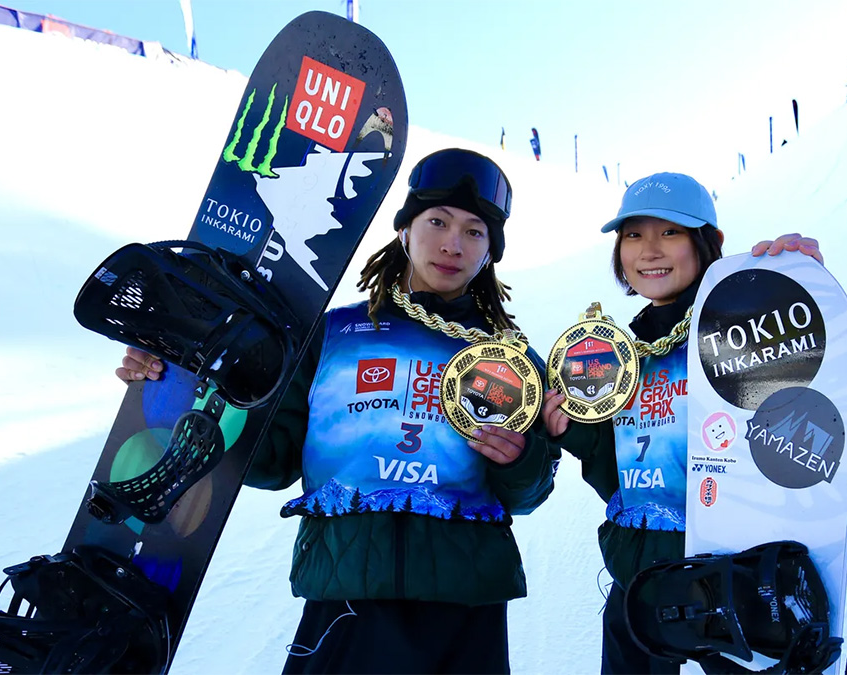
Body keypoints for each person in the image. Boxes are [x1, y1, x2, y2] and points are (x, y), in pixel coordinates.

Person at [118, 148, 561, 674]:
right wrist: (177, 377)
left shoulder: (510, 358)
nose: (452, 243)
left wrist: (520, 458)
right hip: (345, 595)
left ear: (490, 252)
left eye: (474, 232)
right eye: (437, 221)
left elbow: (529, 494)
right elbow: (273, 460)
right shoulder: (330, 335)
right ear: (405, 231)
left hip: (466, 608)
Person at [539, 172, 830, 674]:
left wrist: (797, 294)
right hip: (643, 578)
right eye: (633, 234)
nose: (649, 250)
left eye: (670, 231)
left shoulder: (745, 327)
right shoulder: (616, 353)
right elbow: (622, 471)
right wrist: (574, 431)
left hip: (736, 579)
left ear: (709, 243)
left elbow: (816, 422)